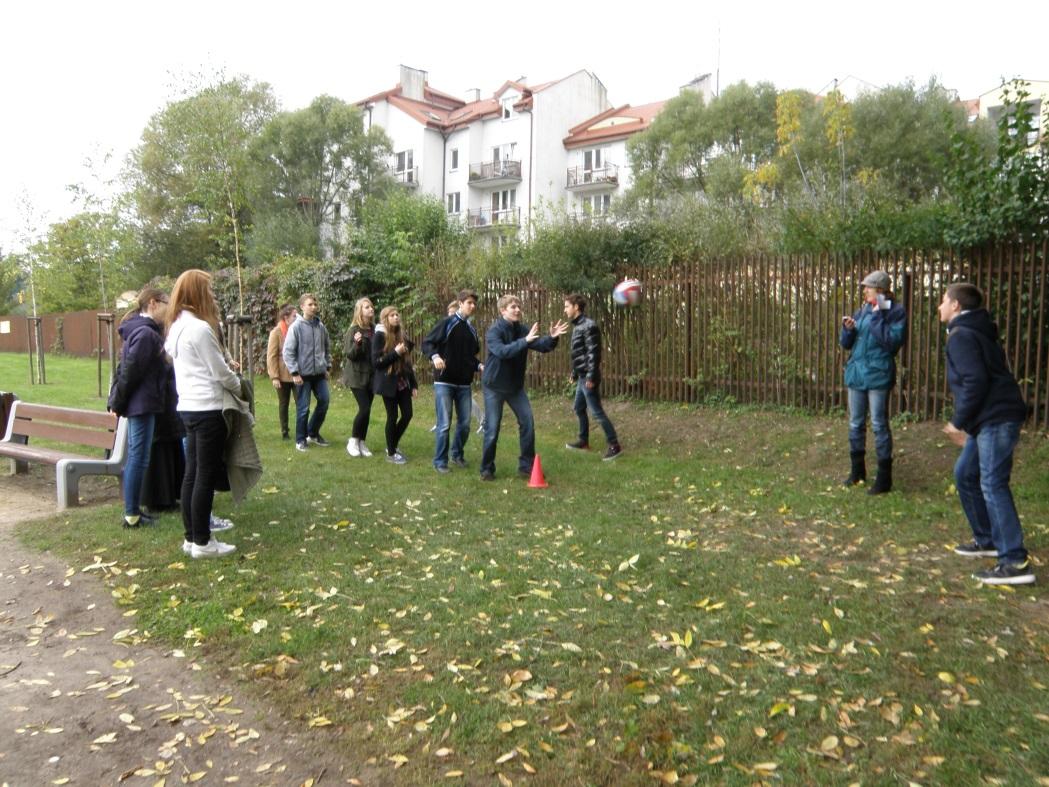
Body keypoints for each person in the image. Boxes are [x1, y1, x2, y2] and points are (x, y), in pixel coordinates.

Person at [939, 283, 1034, 585]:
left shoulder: (961, 335)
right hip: (990, 417)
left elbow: (975, 380)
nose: (939, 306)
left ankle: (1015, 561)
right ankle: (987, 539)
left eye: (943, 301)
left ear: (955, 305)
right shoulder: (976, 329)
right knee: (966, 473)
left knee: (992, 483)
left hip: (996, 416)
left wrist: (957, 422)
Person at [164, 269, 239, 558]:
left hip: (188, 407)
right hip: (208, 409)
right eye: (207, 290)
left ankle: (191, 538)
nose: (212, 295)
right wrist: (238, 387)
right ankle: (203, 542)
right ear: (196, 293)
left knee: (192, 474)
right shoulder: (199, 328)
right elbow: (219, 370)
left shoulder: (178, 327)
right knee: (204, 476)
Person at [480, 294, 568, 481]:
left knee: (527, 423)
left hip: (515, 388)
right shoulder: (494, 331)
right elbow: (503, 352)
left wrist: (552, 338)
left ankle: (526, 467)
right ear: (503, 310)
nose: (518, 309)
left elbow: (541, 345)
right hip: (494, 386)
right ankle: (487, 469)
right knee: (492, 429)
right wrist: (524, 341)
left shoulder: (522, 330)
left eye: (519, 306)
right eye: (513, 307)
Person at [839, 270, 907, 494]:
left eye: (868, 287)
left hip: (878, 374)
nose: (864, 290)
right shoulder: (864, 309)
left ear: (880, 290)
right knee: (855, 424)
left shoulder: (894, 311)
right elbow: (847, 344)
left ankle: (884, 479)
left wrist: (878, 315)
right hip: (857, 374)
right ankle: (857, 472)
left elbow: (892, 342)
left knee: (878, 425)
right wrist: (848, 329)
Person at [109, 287, 170, 528]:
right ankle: (131, 515)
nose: (170, 308)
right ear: (153, 303)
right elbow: (130, 372)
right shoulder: (145, 334)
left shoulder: (143, 331)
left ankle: (133, 511)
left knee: (138, 456)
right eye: (167, 302)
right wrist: (117, 402)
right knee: (138, 458)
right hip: (141, 404)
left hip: (142, 402)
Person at [422, 289, 482, 473]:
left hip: (464, 384)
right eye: (469, 303)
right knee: (444, 424)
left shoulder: (472, 330)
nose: (472, 306)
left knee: (464, 424)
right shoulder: (448, 323)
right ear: (460, 303)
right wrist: (434, 356)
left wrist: (479, 366)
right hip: (444, 382)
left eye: (474, 304)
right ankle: (440, 462)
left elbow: (470, 357)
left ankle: (457, 454)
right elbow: (427, 343)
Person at [562, 293, 622, 461]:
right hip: (582, 376)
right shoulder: (578, 326)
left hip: (588, 378)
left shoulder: (589, 326)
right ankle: (583, 441)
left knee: (596, 412)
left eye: (567, 306)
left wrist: (590, 377)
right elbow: (579, 354)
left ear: (576, 307)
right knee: (579, 408)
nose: (565, 309)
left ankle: (614, 445)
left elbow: (593, 354)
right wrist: (575, 373)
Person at [282, 292, 332, 452]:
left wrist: (327, 367)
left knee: (324, 401)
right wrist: (295, 373)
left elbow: (327, 348)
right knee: (303, 408)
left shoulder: (321, 326)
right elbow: (288, 352)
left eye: (315, 304)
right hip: (303, 375)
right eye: (310, 304)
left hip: (319, 374)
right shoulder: (295, 327)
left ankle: (313, 433)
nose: (313, 307)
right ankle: (300, 440)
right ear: (302, 306)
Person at [372, 305, 418, 464]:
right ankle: (391, 453)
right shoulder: (379, 335)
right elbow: (376, 363)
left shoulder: (401, 335)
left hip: (403, 382)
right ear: (385, 318)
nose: (396, 317)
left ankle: (391, 444)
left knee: (407, 414)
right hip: (388, 383)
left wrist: (414, 384)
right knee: (392, 417)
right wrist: (395, 353)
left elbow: (407, 362)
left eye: (397, 314)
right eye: (392, 315)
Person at [343, 297, 376, 458]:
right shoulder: (353, 330)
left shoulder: (375, 329)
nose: (371, 309)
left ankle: (362, 442)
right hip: (356, 376)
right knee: (365, 408)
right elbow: (349, 355)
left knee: (367, 411)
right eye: (366, 307)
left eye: (371, 306)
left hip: (371, 376)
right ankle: (353, 440)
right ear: (360, 311)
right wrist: (357, 344)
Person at [266, 303, 298, 440]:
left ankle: (303, 431)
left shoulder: (297, 330)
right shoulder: (276, 332)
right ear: (286, 317)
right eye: (294, 316)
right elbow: (271, 356)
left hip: (297, 374)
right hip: (282, 376)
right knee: (283, 404)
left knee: (301, 403)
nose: (297, 318)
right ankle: (285, 431)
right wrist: (275, 377)